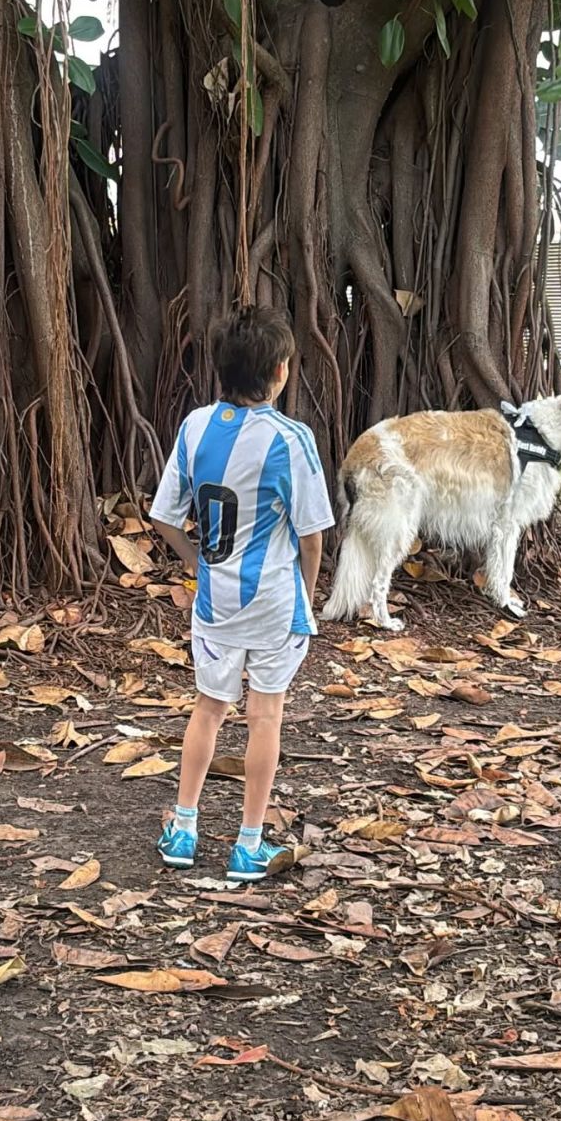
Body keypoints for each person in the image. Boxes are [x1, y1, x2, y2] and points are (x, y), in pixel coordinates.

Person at [150, 306, 334, 882]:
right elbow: (312, 537)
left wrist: (197, 564)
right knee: (265, 715)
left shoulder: (194, 426)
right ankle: (248, 844)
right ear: (280, 372)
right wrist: (306, 597)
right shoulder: (291, 438)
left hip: (215, 603)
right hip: (275, 601)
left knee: (208, 708)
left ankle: (183, 829)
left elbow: (164, 517)